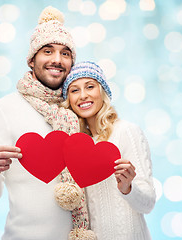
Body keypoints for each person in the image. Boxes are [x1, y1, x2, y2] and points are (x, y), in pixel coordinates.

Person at [0, 7, 95, 240]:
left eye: (65, 53)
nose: (57, 60)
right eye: (47, 51)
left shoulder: (78, 111)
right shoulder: (3, 110)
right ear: (32, 60)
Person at [61, 61, 156, 240]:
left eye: (90, 86)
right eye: (74, 90)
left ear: (102, 91)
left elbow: (148, 204)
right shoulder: (76, 148)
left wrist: (128, 188)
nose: (82, 95)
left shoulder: (126, 131)